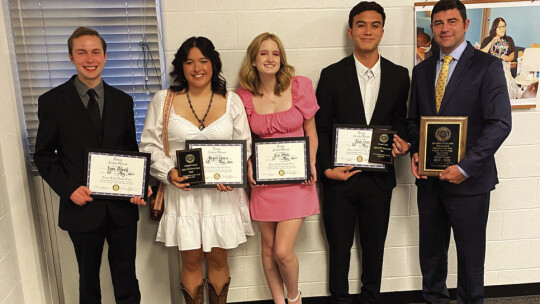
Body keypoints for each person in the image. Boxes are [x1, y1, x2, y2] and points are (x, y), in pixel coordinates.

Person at [407, 1, 512, 303]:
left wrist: (465, 167)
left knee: (469, 259)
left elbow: (500, 124)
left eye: (451, 21)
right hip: (429, 183)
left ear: (465, 25)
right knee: (431, 257)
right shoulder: (423, 70)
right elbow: (413, 121)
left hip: (470, 183)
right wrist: (416, 151)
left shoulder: (488, 66)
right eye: (438, 23)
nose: (444, 28)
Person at [34, 27, 147, 304]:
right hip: (81, 206)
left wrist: (139, 187)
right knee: (88, 280)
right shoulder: (52, 102)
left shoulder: (123, 101)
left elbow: (130, 152)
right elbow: (44, 154)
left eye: (96, 51)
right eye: (81, 52)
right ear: (71, 57)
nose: (90, 58)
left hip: (121, 207)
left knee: (127, 277)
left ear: (105, 56)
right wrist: (69, 188)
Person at [139, 36, 254, 304]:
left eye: (203, 61)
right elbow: (149, 144)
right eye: (189, 62)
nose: (197, 67)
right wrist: (169, 172)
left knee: (218, 257)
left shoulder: (231, 101)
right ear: (181, 67)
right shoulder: (163, 100)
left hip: (220, 194)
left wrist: (232, 176)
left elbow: (244, 145)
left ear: (213, 64)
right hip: (185, 193)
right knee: (190, 260)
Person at [315, 2, 410, 303]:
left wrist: (404, 142)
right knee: (339, 248)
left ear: (383, 30)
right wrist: (326, 168)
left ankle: (371, 298)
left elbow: (401, 122)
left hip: (379, 180)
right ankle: (339, 300)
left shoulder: (399, 75)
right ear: (351, 31)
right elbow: (321, 128)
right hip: (339, 179)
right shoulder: (331, 75)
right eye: (361, 25)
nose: (367, 31)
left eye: (374, 25)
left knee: (374, 247)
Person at [236, 32, 320, 304]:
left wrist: (311, 162)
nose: (270, 58)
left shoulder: (300, 86)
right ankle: (278, 301)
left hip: (297, 181)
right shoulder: (243, 97)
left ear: (281, 58)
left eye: (275, 53)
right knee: (268, 248)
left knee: (283, 251)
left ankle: (294, 298)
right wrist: (248, 163)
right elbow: (243, 139)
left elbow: (311, 131)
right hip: (265, 181)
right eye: (263, 53)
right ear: (253, 59)